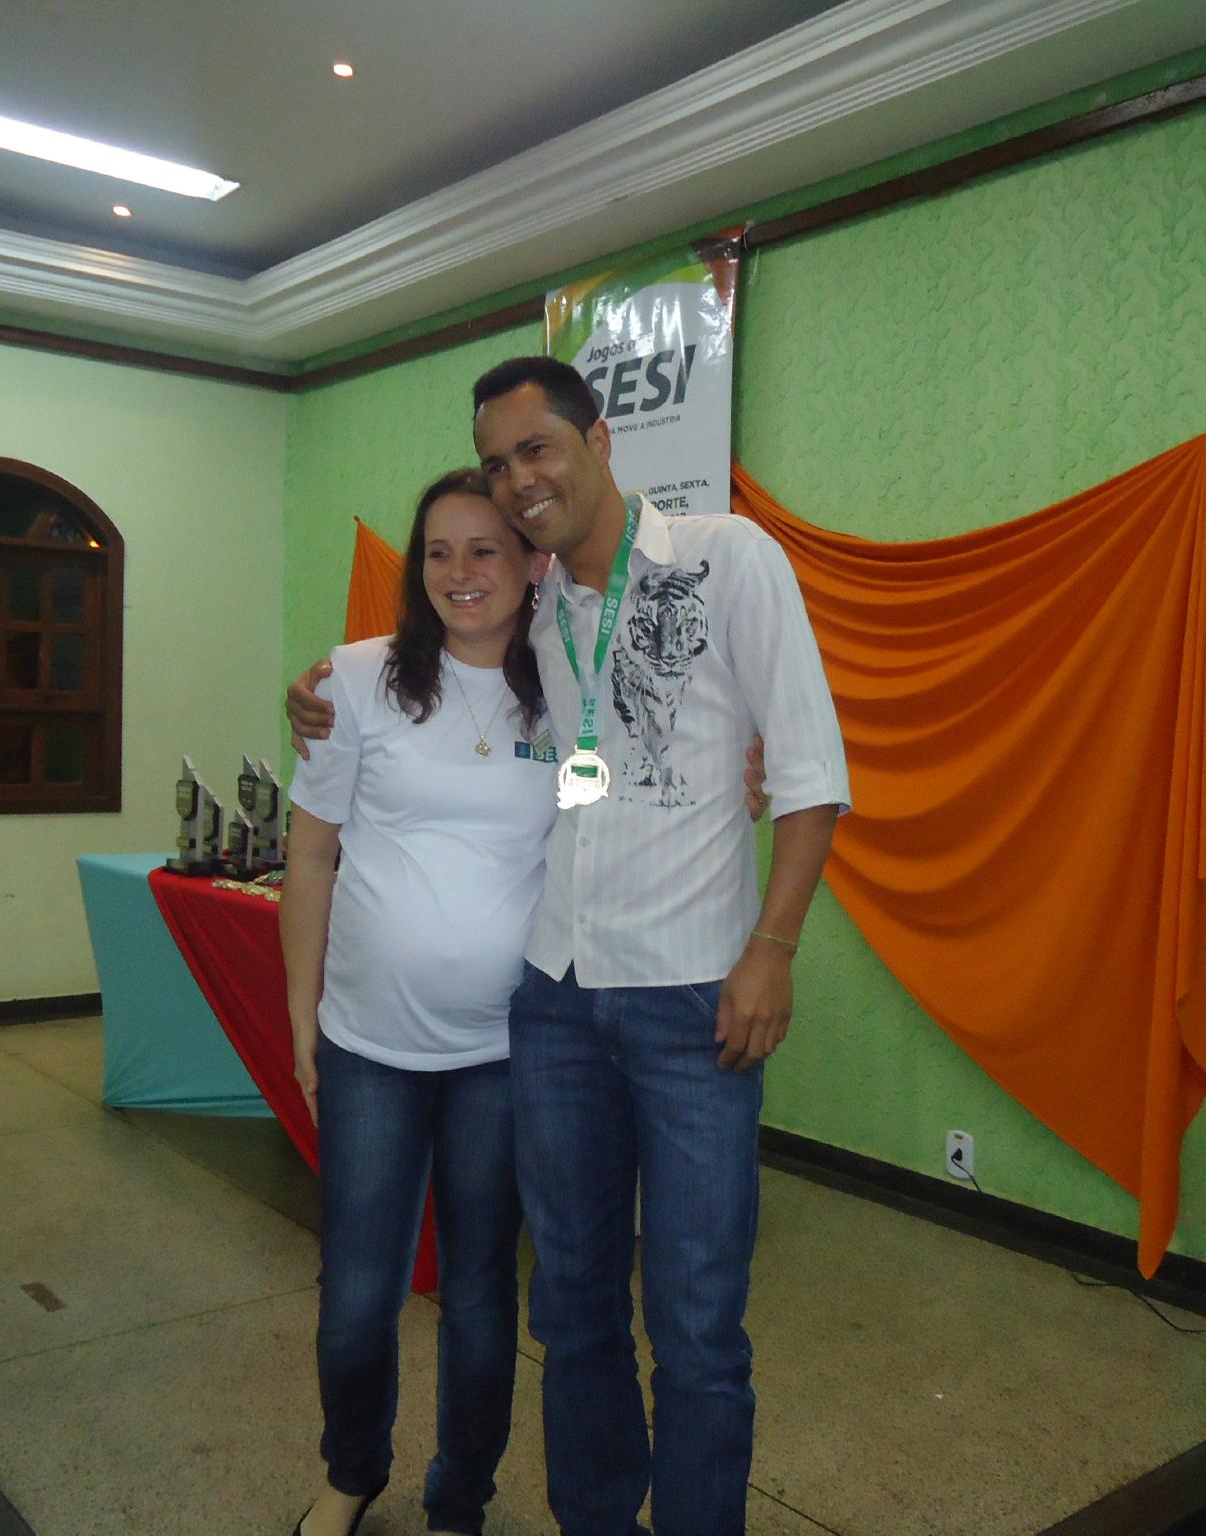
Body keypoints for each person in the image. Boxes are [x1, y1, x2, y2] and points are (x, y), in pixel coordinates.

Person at [292, 357, 849, 1535]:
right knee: (573, 1309)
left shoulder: (728, 558)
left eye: (535, 448)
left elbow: (808, 771)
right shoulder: (537, 610)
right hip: (550, 1003)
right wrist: (320, 696)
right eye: (497, 463)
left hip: (691, 998)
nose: (517, 479)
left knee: (695, 1318)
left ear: (597, 440)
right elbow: (466, 705)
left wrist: (773, 945)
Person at [280, 467, 554, 1536]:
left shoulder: (566, 693)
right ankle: (351, 1473)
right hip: (369, 1049)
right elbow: (311, 857)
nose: (459, 572)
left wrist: (742, 773)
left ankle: (460, 1496)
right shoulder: (357, 681)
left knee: (480, 1295)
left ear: (529, 563)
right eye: (437, 552)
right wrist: (301, 1022)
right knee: (358, 1294)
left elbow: (606, 827)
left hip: (504, 1054)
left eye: (484, 548)